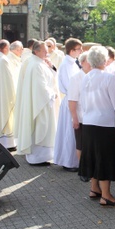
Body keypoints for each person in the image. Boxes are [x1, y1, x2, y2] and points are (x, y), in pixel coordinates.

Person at [79, 45, 115, 207]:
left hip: (89, 123)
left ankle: (94, 188)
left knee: (93, 156)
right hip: (105, 124)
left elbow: (83, 103)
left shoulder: (85, 78)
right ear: (105, 60)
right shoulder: (109, 78)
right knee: (104, 158)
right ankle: (106, 195)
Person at [15, 40, 59, 165]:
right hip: (40, 103)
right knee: (40, 128)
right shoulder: (36, 65)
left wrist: (51, 67)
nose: (47, 52)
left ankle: (42, 157)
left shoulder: (39, 63)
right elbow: (40, 87)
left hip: (42, 102)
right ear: (36, 51)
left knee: (44, 128)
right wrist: (51, 94)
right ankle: (37, 158)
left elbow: (50, 77)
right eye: (44, 50)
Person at [53, 38, 83, 171]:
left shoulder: (73, 63)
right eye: (79, 49)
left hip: (75, 99)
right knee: (69, 132)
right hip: (71, 100)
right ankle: (68, 162)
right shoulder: (66, 64)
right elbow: (68, 84)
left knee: (72, 132)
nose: (81, 51)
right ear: (72, 50)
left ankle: (73, 161)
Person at [67, 51, 91, 181]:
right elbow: (72, 100)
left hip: (92, 117)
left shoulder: (93, 76)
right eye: (88, 61)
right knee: (81, 145)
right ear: (82, 63)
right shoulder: (76, 78)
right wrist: (74, 118)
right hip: (81, 117)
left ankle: (90, 168)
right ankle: (83, 170)